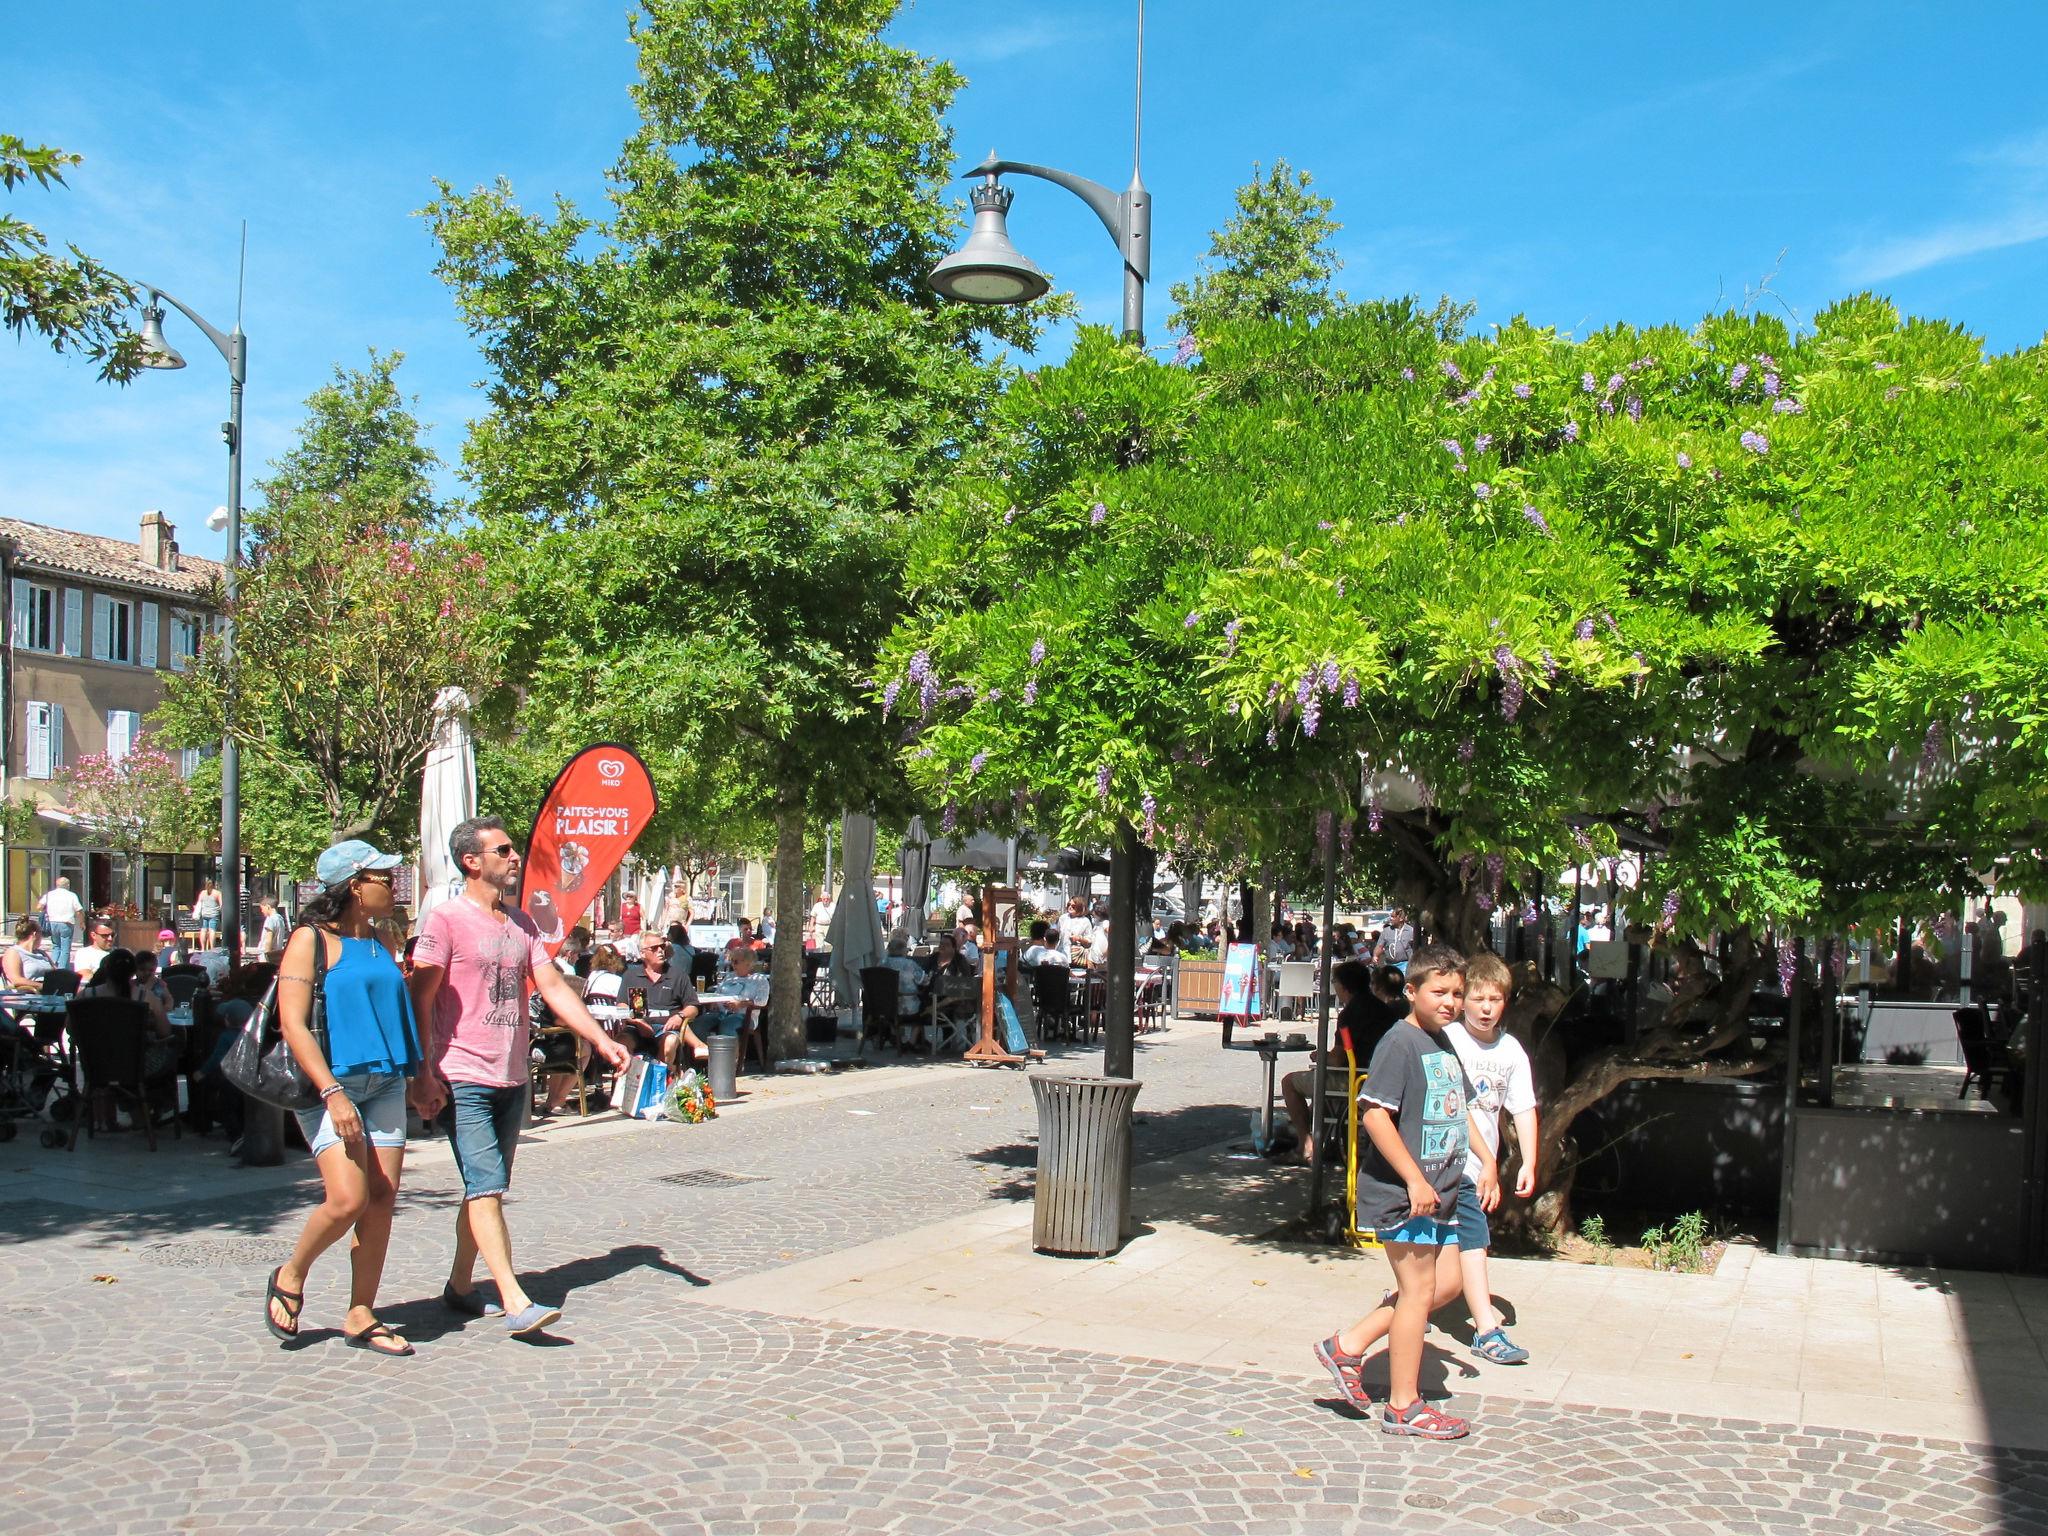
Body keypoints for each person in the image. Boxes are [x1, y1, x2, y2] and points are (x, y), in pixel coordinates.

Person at [408, 815, 630, 1337]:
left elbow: (552, 987)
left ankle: (460, 1286)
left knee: (483, 1188)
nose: (515, 858)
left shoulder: (521, 925)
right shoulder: (444, 921)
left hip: (511, 1075)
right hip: (461, 1072)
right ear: (471, 861)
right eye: (504, 850)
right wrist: (422, 1073)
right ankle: (514, 1300)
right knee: (485, 1186)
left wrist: (600, 1039)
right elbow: (419, 998)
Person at [1313, 945, 1498, 1440]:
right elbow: (1374, 1113)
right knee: (1418, 1291)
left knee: (1448, 1285)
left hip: (1444, 1191)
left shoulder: (1444, 1042)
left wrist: (1489, 1163)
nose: (1451, 1001)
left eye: (1457, 993)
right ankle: (1403, 1405)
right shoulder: (1401, 1041)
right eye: (1440, 992)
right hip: (1404, 1192)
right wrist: (1414, 1178)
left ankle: (1348, 1345)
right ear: (1411, 991)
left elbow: (1460, 1110)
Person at [260, 839, 427, 1357]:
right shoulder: (310, 939)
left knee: (380, 1198)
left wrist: (418, 1075)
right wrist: (331, 1092)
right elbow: (291, 1022)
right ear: (356, 884)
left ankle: (362, 1311)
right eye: (384, 876)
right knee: (348, 1198)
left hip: (386, 1083)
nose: (392, 885)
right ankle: (291, 1273)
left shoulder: (382, 940)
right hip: (333, 1087)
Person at [1443, 951, 1539, 1366]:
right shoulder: (1447, 1039)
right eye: (1478, 999)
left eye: (1495, 1000)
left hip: (1479, 1167)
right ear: (1464, 1000)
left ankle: (1403, 1303)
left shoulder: (1512, 1051)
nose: (1485, 1009)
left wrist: (1528, 1162)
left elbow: (1523, 1109)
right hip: (1444, 1159)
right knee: (1471, 1241)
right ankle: (1486, 1328)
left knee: (1461, 1241)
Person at [619, 934, 705, 1067]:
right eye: (654, 948)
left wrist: (679, 1016)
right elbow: (622, 1005)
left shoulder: (677, 975)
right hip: (637, 1026)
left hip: (666, 1027)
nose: (660, 950)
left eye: (662, 946)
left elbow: (693, 1007)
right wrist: (637, 1021)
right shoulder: (631, 975)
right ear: (642, 953)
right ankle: (629, 1083)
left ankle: (658, 1082)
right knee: (622, 1043)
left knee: (669, 1042)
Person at [700, 945, 770, 1068]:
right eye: (731, 961)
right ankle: (703, 1061)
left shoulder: (759, 979)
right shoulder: (730, 976)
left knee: (728, 1024)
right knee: (699, 1023)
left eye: (736, 961)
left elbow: (762, 1001)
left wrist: (741, 1004)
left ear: (748, 963)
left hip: (744, 1016)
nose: (733, 964)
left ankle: (731, 1064)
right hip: (722, 1013)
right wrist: (715, 1003)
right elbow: (718, 993)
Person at [37, 876, 83, 970]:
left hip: (53, 922)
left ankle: (52, 965)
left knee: (56, 946)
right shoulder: (71, 895)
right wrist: (82, 922)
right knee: (65, 948)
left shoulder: (50, 894)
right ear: (67, 885)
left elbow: (39, 907)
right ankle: (62, 968)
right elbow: (79, 911)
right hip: (66, 923)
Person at [3, 916, 51, 992]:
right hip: (28, 995)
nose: (42, 937)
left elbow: (57, 972)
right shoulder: (13, 952)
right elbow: (16, 980)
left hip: (50, 993)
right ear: (35, 934)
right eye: (41, 933)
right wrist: (42, 986)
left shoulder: (42, 953)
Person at [71, 915, 117, 980]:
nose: (110, 938)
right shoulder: (84, 953)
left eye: (113, 935)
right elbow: (85, 975)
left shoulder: (119, 953)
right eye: (105, 935)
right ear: (93, 935)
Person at [192, 879, 222, 950]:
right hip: (213, 915)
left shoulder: (202, 893)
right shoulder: (217, 893)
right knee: (212, 930)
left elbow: (198, 903)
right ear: (215, 885)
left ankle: (202, 948)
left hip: (204, 914)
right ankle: (212, 948)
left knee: (203, 930)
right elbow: (221, 904)